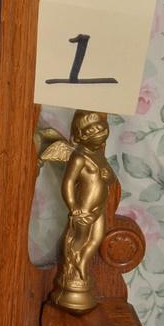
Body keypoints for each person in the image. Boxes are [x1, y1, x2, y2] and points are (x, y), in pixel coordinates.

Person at [38, 110, 114, 313]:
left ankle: (82, 266)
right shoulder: (80, 157)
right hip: (83, 209)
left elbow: (110, 179)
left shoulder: (99, 155)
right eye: (91, 129)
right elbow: (68, 183)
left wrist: (107, 176)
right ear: (79, 137)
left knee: (96, 239)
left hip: (98, 209)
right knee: (78, 240)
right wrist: (74, 207)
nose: (98, 130)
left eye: (100, 127)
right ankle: (73, 271)